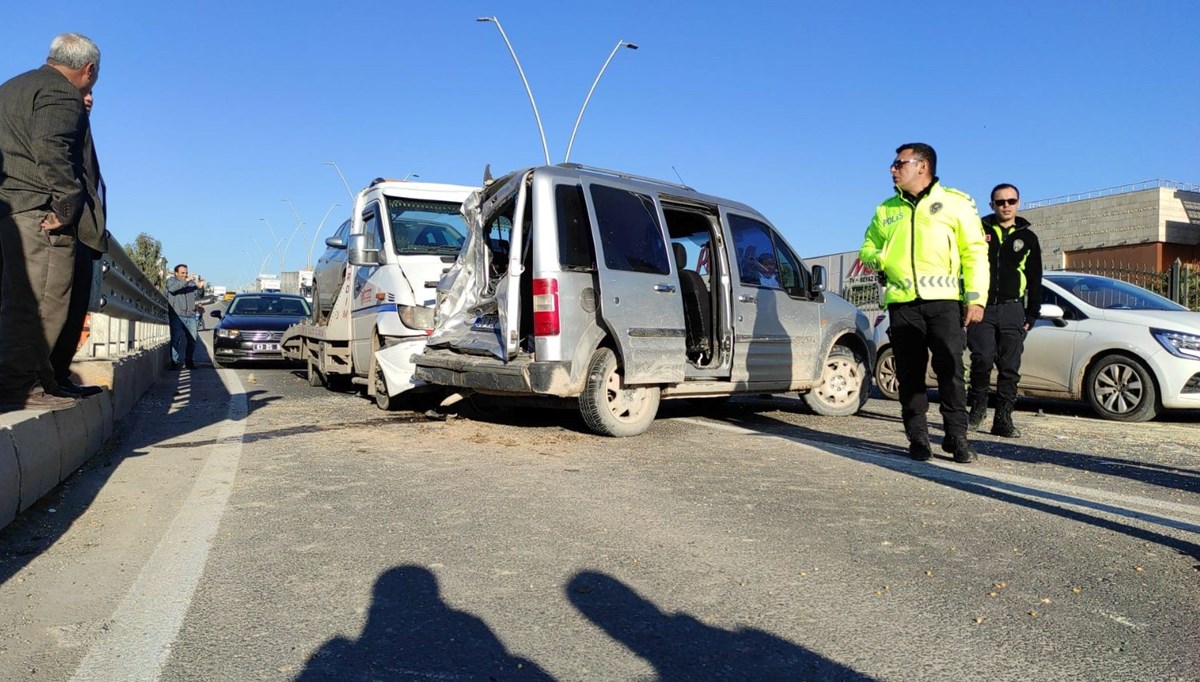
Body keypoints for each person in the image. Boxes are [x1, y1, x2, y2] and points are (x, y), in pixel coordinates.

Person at [859, 143, 989, 463]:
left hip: (944, 301)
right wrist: (881, 257)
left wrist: (976, 298)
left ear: (922, 166)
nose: (893, 169)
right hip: (903, 304)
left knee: (951, 369)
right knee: (910, 373)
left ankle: (956, 437)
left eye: (899, 163)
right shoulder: (885, 210)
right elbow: (866, 249)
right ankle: (917, 437)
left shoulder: (955, 203)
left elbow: (974, 252)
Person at [0, 33, 103, 412]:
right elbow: (51, 149)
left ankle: (44, 380)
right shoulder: (61, 92)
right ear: (88, 69)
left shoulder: (12, 87)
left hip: (11, 208)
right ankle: (22, 386)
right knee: (41, 301)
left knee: (19, 301)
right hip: (38, 213)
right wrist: (65, 205)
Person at [42, 88, 108, 399]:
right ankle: (44, 379)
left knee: (75, 305)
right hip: (66, 227)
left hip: (82, 231)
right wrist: (63, 211)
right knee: (57, 304)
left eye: (91, 94)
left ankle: (59, 375)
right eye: (83, 92)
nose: (89, 98)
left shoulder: (80, 125)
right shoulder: (54, 115)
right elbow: (53, 162)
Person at [967, 184, 1043, 438]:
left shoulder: (1028, 238)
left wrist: (1032, 313)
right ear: (992, 206)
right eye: (1000, 202)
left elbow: (1035, 279)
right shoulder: (978, 231)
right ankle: (977, 409)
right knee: (982, 359)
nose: (1006, 206)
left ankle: (1003, 418)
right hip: (982, 308)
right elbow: (964, 267)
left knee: (1010, 366)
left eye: (1010, 201)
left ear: (1018, 202)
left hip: (1012, 309)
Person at [166, 264, 205, 370]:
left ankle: (189, 361)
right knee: (176, 340)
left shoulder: (190, 283)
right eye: (183, 273)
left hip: (191, 316)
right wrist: (187, 280)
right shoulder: (171, 281)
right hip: (177, 315)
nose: (185, 275)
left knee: (192, 339)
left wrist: (200, 288)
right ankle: (174, 362)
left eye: (186, 272)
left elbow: (198, 295)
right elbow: (173, 289)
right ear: (176, 273)